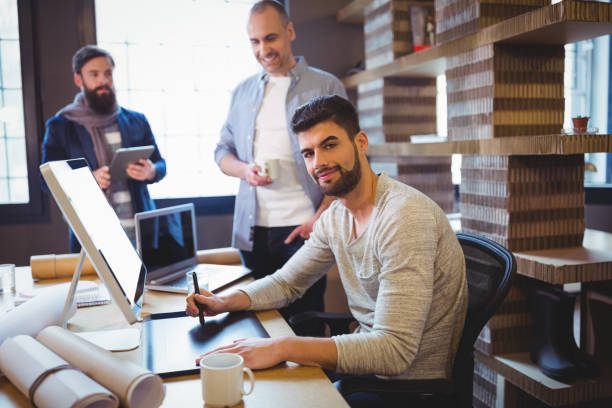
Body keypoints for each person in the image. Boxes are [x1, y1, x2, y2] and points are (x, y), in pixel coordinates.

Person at [188, 95, 468, 385]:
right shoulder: (337, 215)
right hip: (365, 369)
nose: (319, 162)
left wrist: (283, 347)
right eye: (308, 153)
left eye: (329, 145)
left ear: (360, 142)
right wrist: (224, 301)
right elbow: (288, 282)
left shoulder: (404, 216)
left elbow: (394, 351)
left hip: (407, 387)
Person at [214, 0, 347, 328]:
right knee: (257, 325)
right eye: (255, 42)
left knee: (304, 324)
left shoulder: (325, 86)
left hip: (304, 229)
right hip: (252, 232)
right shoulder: (242, 92)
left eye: (270, 38)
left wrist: (320, 218)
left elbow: (346, 160)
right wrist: (245, 170)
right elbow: (222, 153)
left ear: (289, 32)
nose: (263, 49)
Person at [41, 45, 166, 252]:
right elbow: (47, 182)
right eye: (95, 74)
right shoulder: (61, 126)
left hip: (140, 233)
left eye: (108, 73)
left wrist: (151, 170)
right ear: (79, 80)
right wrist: (86, 179)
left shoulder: (136, 120)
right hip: (92, 236)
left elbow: (161, 165)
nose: (103, 80)